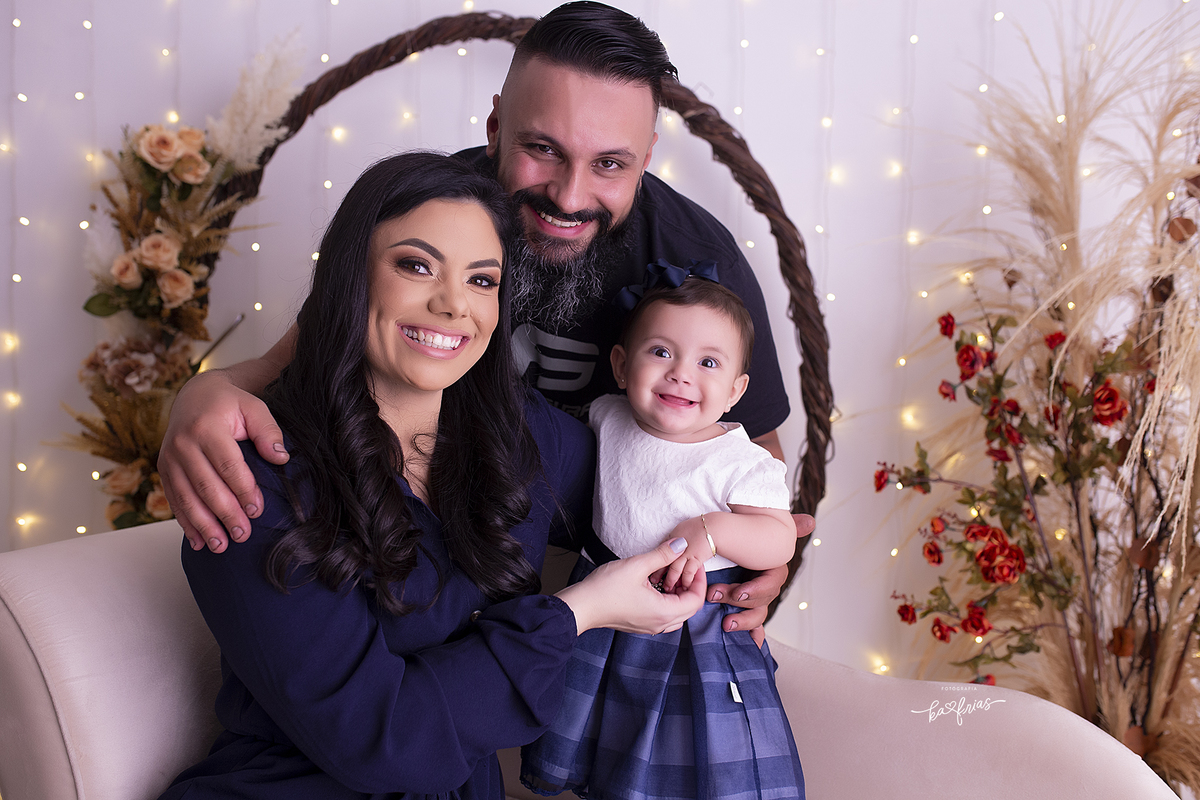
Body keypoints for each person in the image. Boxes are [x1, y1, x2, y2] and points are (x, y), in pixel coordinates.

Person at [157, 1, 812, 634]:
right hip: (435, 540)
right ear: (496, 127)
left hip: (614, 557)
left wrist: (759, 555)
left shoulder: (697, 260)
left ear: (647, 156)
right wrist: (204, 391)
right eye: (544, 148)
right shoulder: (436, 214)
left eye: (609, 163)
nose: (570, 196)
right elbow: (297, 359)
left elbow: (749, 446)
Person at [158, 152, 707, 800]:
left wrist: (748, 534)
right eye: (416, 266)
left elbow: (662, 489)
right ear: (351, 276)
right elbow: (386, 741)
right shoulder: (256, 483)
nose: (452, 305)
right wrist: (579, 612)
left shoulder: (519, 435)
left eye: (481, 280)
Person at [520, 270, 805, 800]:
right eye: (661, 352)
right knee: (607, 744)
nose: (680, 374)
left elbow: (779, 539)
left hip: (694, 627)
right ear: (621, 366)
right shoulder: (608, 416)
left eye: (708, 363)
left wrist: (712, 530)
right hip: (606, 611)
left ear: (736, 390)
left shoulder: (740, 461)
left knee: (690, 753)